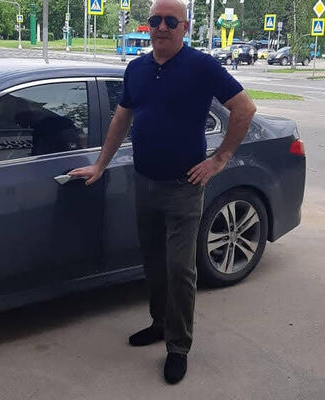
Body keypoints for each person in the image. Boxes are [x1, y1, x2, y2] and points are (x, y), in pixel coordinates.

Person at [69, 0, 256, 385]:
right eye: (155, 20)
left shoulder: (202, 66)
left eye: (171, 20)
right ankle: (159, 323)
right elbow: (122, 116)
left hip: (184, 188)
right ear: (148, 25)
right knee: (153, 262)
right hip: (145, 183)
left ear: (185, 27)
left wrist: (219, 159)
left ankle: (178, 346)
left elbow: (245, 108)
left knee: (180, 270)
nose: (162, 26)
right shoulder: (137, 68)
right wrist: (100, 164)